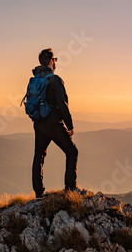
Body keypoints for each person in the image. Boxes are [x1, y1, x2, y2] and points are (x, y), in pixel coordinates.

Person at [31, 48, 78, 199]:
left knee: (39, 156)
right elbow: (62, 104)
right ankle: (70, 189)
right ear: (51, 61)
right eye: (55, 60)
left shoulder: (35, 80)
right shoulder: (55, 80)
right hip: (54, 124)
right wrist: (69, 125)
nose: (55, 62)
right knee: (72, 152)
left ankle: (39, 193)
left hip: (39, 123)